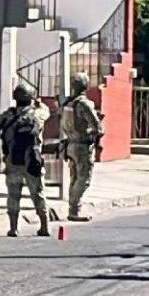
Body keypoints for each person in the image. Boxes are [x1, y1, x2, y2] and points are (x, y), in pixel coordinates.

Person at [0, 83, 54, 237]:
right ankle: (45, 226)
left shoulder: (7, 116)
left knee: (13, 195)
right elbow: (47, 110)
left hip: (13, 161)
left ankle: (14, 228)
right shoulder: (37, 115)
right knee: (38, 194)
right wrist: (38, 102)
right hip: (32, 161)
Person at [61, 73, 104, 222]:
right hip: (83, 146)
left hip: (70, 144)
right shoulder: (84, 104)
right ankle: (74, 208)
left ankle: (73, 209)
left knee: (74, 177)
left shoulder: (68, 103)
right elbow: (98, 128)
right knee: (84, 179)